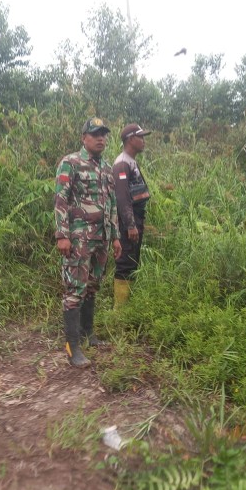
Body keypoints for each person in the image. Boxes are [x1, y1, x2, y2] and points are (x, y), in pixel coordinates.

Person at [54, 117, 122, 368]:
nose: (101, 138)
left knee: (92, 286)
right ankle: (73, 348)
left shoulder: (106, 168)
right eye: (95, 134)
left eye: (103, 134)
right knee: (74, 290)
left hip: (101, 239)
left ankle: (88, 334)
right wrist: (62, 234)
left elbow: (111, 204)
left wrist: (115, 236)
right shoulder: (70, 163)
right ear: (84, 137)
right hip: (78, 239)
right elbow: (60, 199)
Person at [112, 123, 152, 306]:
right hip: (127, 220)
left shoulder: (130, 161)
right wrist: (130, 225)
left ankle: (127, 307)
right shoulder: (122, 163)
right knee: (125, 263)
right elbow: (122, 198)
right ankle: (119, 312)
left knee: (132, 262)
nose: (144, 141)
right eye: (140, 137)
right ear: (130, 139)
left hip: (136, 218)